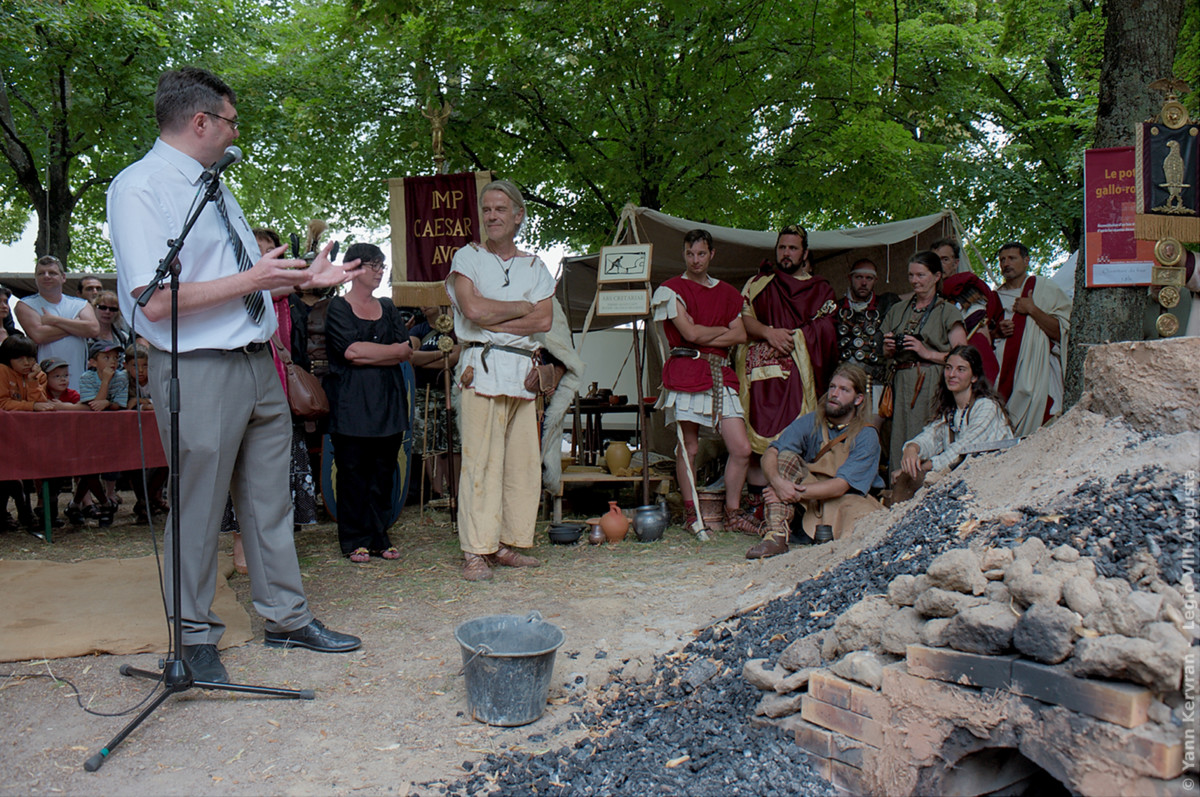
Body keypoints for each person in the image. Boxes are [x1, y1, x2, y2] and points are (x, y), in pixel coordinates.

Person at [106, 66, 362, 684]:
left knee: (270, 502)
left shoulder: (214, 185)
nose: (236, 131)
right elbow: (153, 301)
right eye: (230, 120)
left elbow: (243, 280)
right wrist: (254, 278)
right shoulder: (140, 187)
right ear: (201, 122)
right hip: (197, 369)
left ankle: (286, 618)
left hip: (257, 362)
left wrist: (303, 280)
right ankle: (193, 638)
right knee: (198, 509)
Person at [447, 179, 555, 582]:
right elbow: (473, 310)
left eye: (500, 209)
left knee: (520, 465)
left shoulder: (535, 266)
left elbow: (544, 320)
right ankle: (476, 550)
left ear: (518, 215)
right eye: (486, 209)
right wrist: (521, 307)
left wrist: (496, 316)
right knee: (480, 463)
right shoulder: (468, 257)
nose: (492, 216)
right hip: (482, 367)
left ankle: (505, 543)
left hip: (523, 374)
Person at [651, 228, 758, 534]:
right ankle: (692, 516)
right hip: (686, 370)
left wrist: (705, 332)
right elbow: (690, 334)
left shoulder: (728, 293)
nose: (695, 260)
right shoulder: (670, 290)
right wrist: (721, 330)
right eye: (690, 254)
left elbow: (740, 334)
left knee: (741, 448)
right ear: (683, 254)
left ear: (712, 254)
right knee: (689, 447)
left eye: (701, 254)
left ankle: (732, 514)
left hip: (720, 372)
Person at [737, 224, 838, 516]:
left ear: (804, 253)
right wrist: (769, 333)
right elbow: (743, 317)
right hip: (760, 378)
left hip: (800, 378)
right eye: (782, 247)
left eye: (793, 248)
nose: (786, 253)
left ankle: (791, 507)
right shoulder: (759, 283)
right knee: (756, 445)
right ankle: (758, 507)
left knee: (794, 443)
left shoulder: (820, 289)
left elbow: (828, 329)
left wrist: (795, 339)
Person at [324, 243, 413, 562]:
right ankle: (354, 539)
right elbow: (351, 352)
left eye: (381, 265)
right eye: (373, 265)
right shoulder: (337, 307)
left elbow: (406, 350)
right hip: (351, 405)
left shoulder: (388, 307)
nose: (380, 271)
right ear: (354, 268)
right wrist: (390, 353)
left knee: (383, 473)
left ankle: (379, 536)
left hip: (388, 403)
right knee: (352, 474)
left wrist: (376, 353)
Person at [745, 364, 883, 559]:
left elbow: (840, 486)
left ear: (858, 399)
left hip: (844, 498)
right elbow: (771, 452)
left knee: (860, 528)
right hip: (809, 497)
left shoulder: (867, 435)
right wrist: (778, 484)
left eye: (844, 390)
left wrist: (792, 493)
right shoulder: (813, 421)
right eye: (832, 387)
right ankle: (776, 536)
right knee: (784, 457)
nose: (834, 394)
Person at [881, 251, 967, 478]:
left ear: (937, 276)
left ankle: (927, 483)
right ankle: (898, 486)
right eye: (911, 275)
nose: (914, 280)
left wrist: (926, 352)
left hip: (931, 381)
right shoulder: (898, 310)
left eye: (921, 275)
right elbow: (884, 352)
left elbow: (962, 357)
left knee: (927, 433)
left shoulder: (948, 311)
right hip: (900, 381)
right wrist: (889, 348)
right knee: (898, 435)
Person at [892, 345, 1013, 503]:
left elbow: (964, 448)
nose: (952, 374)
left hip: (994, 483)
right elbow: (930, 436)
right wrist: (912, 448)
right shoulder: (951, 411)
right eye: (948, 368)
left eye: (961, 369)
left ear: (974, 377)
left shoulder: (986, 406)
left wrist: (921, 468)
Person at [992, 242, 1072, 436]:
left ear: (1026, 261)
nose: (1006, 264)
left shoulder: (1044, 288)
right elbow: (984, 339)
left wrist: (1032, 309)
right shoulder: (994, 298)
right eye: (1002, 260)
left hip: (1041, 374)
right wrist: (997, 332)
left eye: (1012, 258)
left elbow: (1063, 332)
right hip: (1003, 376)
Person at [15, 256, 99, 391]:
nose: (46, 276)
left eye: (52, 273)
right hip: (44, 386)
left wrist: (54, 320)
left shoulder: (80, 304)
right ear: (35, 278)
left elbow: (93, 329)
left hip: (79, 382)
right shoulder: (25, 305)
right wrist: (77, 325)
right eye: (41, 273)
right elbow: (39, 335)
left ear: (63, 277)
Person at [932, 238, 1002, 383]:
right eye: (935, 260)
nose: (939, 264)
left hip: (968, 363)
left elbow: (981, 333)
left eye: (945, 259)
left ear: (956, 263)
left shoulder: (967, 288)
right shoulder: (927, 297)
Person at [834, 258, 898, 409]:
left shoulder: (886, 305)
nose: (864, 283)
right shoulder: (836, 308)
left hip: (875, 382)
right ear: (850, 278)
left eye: (869, 278)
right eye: (859, 277)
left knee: (873, 420)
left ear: (875, 280)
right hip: (843, 382)